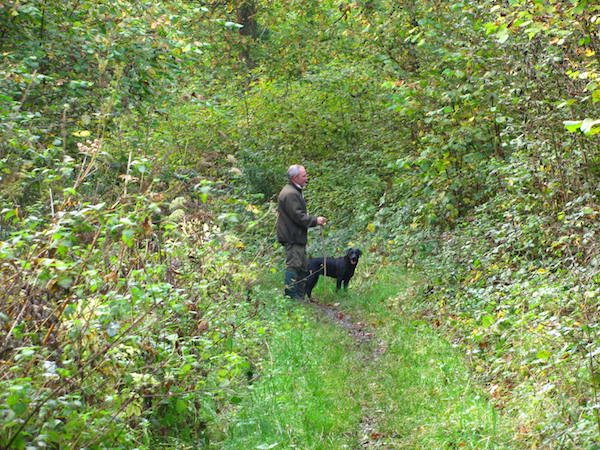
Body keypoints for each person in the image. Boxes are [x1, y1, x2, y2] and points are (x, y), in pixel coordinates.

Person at [276, 164, 326, 300]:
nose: (306, 178)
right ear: (295, 177)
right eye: (304, 176)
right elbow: (299, 216)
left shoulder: (293, 190)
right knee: (294, 266)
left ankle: (299, 297)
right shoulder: (290, 193)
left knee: (303, 267)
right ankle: (291, 298)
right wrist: (316, 220)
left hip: (295, 236)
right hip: (292, 237)